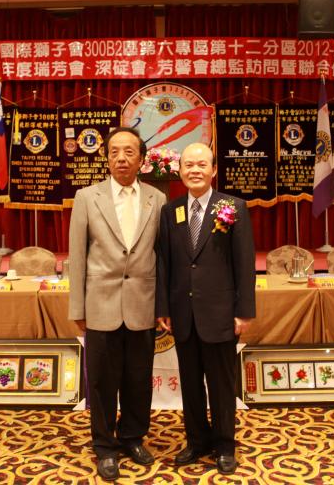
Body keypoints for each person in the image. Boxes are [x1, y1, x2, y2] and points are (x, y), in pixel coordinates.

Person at [68, 127, 166, 482]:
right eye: (114, 152)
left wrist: (163, 306)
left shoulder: (158, 198)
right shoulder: (86, 197)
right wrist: (77, 308)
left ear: (142, 159)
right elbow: (77, 255)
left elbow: (162, 256)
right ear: (106, 158)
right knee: (102, 383)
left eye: (129, 152)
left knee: (139, 379)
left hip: (143, 303)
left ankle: (132, 438)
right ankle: (105, 446)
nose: (121, 158)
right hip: (100, 305)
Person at [156, 142, 256, 475]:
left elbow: (245, 263)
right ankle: (197, 440)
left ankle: (225, 445)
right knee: (191, 384)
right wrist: (163, 307)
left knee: (222, 385)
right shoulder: (171, 211)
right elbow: (165, 263)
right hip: (183, 315)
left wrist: (244, 311)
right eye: (189, 165)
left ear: (214, 170)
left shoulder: (233, 207)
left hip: (221, 315)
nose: (195, 170)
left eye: (202, 164)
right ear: (179, 170)